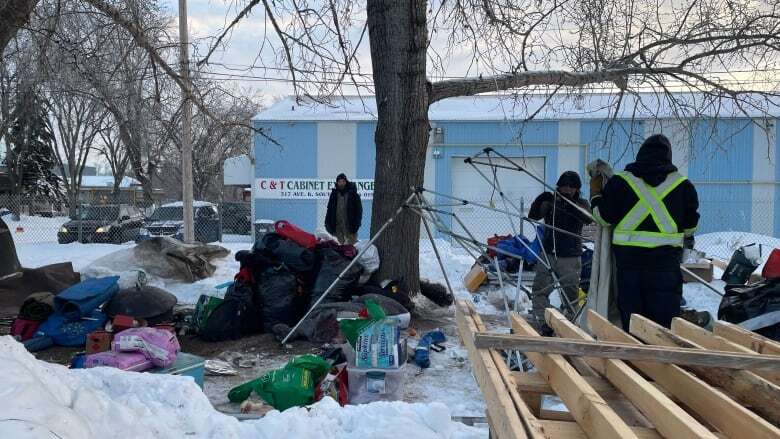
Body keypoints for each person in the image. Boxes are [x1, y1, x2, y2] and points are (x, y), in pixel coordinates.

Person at [590, 134, 699, 330]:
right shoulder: (683, 185)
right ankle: (662, 360)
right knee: (662, 329)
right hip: (665, 268)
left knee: (632, 326)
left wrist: (596, 195)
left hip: (629, 269)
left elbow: (603, 218)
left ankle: (632, 361)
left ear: (641, 154)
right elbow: (690, 227)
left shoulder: (621, 182)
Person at [528, 171, 592, 333]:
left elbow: (588, 218)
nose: (567, 190)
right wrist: (539, 202)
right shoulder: (551, 202)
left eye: (572, 187)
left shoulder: (582, 203)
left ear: (577, 189)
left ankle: (568, 327)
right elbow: (533, 216)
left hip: (570, 257)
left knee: (570, 296)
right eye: (564, 186)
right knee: (540, 291)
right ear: (558, 186)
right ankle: (544, 324)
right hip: (548, 253)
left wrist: (569, 203)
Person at [325, 173, 363, 245]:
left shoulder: (353, 194)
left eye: (343, 181)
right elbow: (329, 210)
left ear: (346, 182)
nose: (341, 183)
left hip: (350, 227)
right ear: (337, 183)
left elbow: (359, 211)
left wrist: (357, 224)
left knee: (351, 249)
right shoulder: (334, 195)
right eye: (339, 182)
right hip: (337, 228)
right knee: (338, 249)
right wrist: (327, 224)